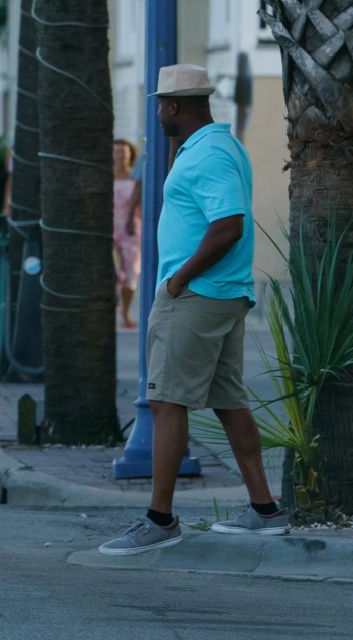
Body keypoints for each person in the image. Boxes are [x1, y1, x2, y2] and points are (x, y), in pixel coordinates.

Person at [100, 64, 283, 555]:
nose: (158, 112)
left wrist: (179, 278)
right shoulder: (219, 147)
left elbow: (228, 225)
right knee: (228, 401)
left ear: (175, 106)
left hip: (197, 296)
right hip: (218, 294)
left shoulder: (208, 155)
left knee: (165, 402)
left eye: (161, 103)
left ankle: (159, 520)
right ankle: (264, 510)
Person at [113, 138, 143, 328]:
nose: (119, 156)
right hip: (108, 228)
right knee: (114, 273)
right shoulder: (104, 177)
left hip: (131, 229)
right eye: (115, 152)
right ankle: (114, 313)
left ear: (130, 154)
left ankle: (125, 312)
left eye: (123, 152)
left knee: (130, 273)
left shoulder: (135, 178)